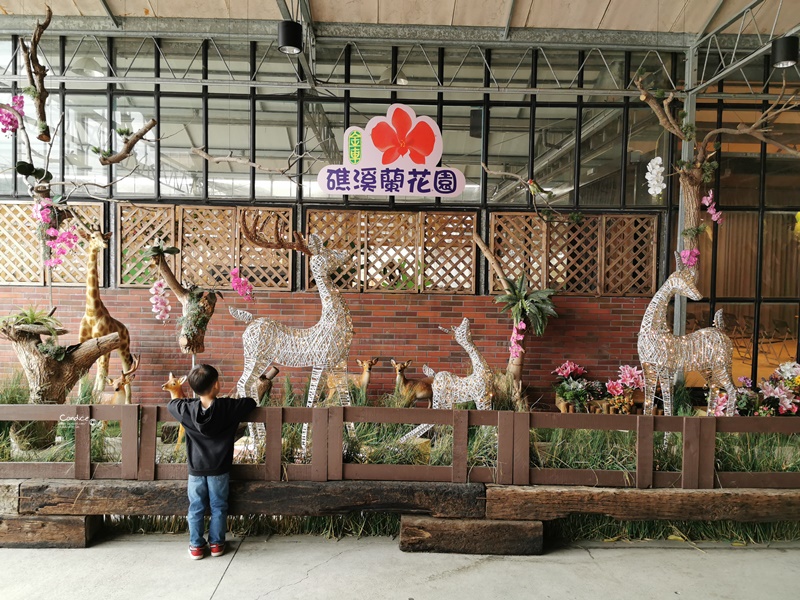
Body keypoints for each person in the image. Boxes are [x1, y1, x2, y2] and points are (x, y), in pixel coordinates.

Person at [167, 364, 256, 560]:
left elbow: (172, 404)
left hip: (196, 470)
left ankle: (196, 546)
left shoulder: (187, 409)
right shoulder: (227, 407)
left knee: (196, 507)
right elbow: (250, 402)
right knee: (218, 506)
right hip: (220, 469)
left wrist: (185, 398)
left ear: (192, 387)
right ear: (216, 385)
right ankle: (217, 544)